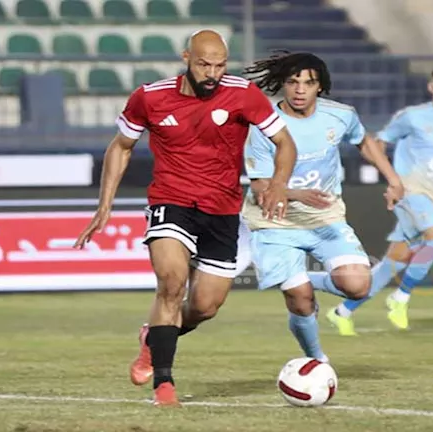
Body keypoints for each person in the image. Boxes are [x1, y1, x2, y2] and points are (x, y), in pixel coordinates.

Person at [74, 30, 298, 406]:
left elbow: (284, 142)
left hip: (222, 210)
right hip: (171, 201)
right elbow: (121, 146)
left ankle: (153, 339)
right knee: (171, 284)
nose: (212, 73)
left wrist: (278, 183)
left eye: (220, 65)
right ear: (186, 58)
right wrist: (104, 205)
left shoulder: (243, 94)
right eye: (204, 64)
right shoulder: (150, 97)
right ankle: (164, 384)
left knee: (205, 307)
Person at [241, 51, 404, 362]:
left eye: (309, 83)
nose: (300, 90)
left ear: (320, 86)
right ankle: (318, 361)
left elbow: (364, 141)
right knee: (300, 300)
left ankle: (302, 282)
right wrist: (296, 194)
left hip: (325, 217)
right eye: (293, 82)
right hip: (276, 222)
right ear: (283, 84)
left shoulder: (340, 115)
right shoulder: (264, 126)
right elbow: (261, 186)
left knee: (358, 286)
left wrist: (393, 179)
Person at [312, 63, 433, 336]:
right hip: (410, 192)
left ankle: (342, 312)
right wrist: (391, 179)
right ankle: (400, 297)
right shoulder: (412, 116)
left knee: (392, 263)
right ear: (431, 86)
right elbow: (379, 142)